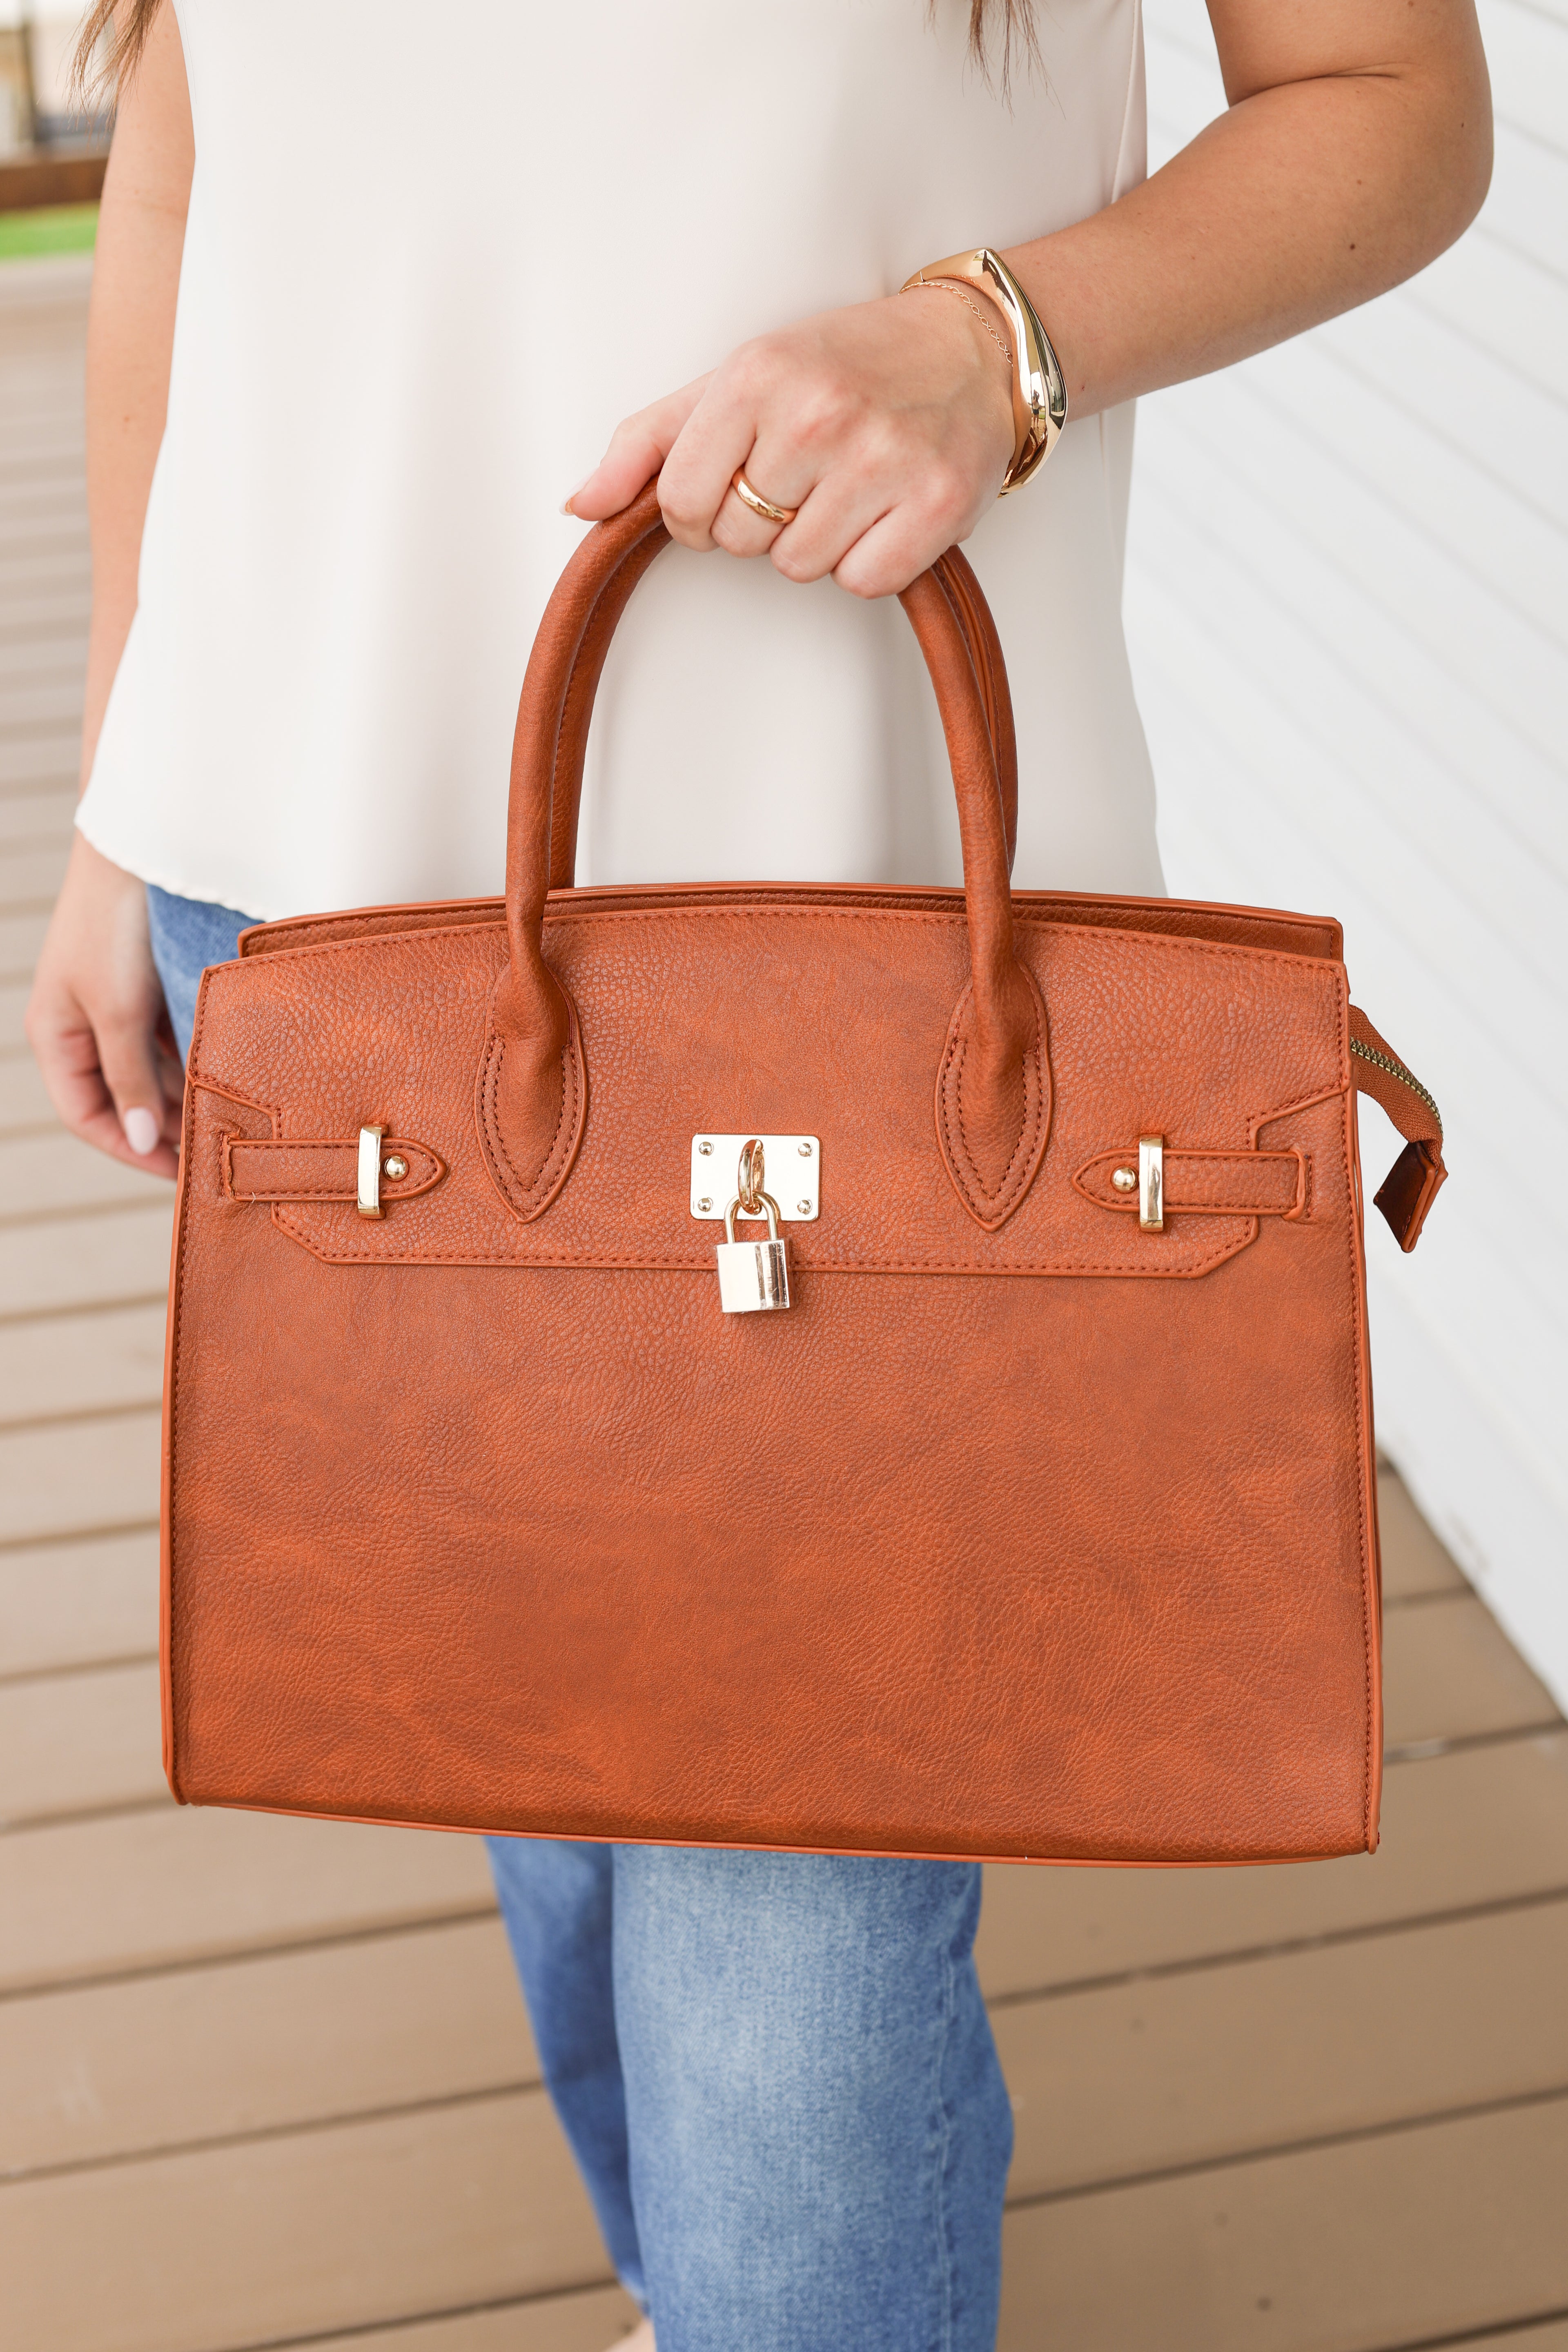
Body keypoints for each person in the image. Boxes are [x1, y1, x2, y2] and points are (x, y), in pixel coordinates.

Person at [28, 2, 1490, 2344]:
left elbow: (1393, 106)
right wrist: (130, 782)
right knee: (541, 1779)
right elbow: (195, 177)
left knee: (786, 2015)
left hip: (846, 956)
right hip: (312, 925)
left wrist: (994, 341)